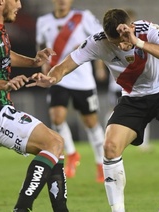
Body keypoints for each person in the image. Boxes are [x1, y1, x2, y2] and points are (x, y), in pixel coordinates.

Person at [28, 8, 159, 212]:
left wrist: (138, 42)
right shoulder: (98, 42)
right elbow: (66, 64)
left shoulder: (148, 30)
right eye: (115, 42)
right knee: (109, 147)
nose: (122, 45)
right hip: (133, 96)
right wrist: (52, 78)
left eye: (124, 39)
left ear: (131, 27)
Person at [0, 0, 68, 211]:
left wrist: (33, 62)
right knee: (53, 144)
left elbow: (3, 55)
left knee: (56, 144)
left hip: (2, 110)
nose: (20, 5)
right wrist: (4, 84)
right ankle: (22, 208)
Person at [35, 0, 107, 182]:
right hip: (58, 78)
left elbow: (100, 40)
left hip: (83, 80)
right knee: (57, 118)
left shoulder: (84, 17)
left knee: (91, 123)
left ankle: (101, 163)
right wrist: (44, 65)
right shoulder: (43, 21)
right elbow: (40, 44)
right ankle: (72, 153)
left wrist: (99, 67)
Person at [106, 8, 151, 152]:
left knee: (143, 112)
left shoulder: (138, 38)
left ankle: (142, 142)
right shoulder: (112, 40)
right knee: (114, 110)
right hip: (118, 85)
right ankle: (109, 136)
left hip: (137, 85)